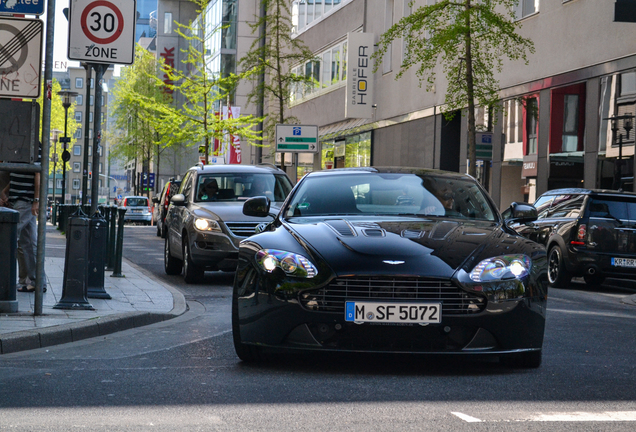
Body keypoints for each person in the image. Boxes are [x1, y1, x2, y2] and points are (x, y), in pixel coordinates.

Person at [0, 166, 46, 293]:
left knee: (8, 234)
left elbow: (38, 173)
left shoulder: (34, 147)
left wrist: (36, 200)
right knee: (29, 243)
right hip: (17, 199)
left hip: (25, 200)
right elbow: (17, 173)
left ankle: (37, 282)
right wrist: (5, 191)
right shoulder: (18, 149)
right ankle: (37, 282)